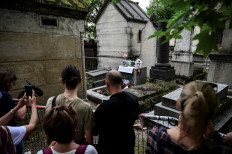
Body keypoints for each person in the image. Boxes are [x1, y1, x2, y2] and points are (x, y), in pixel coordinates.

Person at [146, 81, 232, 153]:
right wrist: (214, 135)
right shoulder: (222, 150)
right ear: (215, 113)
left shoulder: (156, 136)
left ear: (178, 104)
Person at [46, 65, 95, 145]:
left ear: (62, 81)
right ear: (80, 80)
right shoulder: (86, 108)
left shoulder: (51, 101)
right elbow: (89, 140)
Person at [94, 70, 140, 154]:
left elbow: (95, 131)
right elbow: (135, 117)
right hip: (127, 145)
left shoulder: (103, 108)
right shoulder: (133, 100)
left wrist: (97, 111)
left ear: (107, 84)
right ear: (122, 82)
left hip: (108, 148)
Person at [0, 69, 27, 154]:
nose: (12, 86)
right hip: (8, 134)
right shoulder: (5, 95)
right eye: (12, 83)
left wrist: (14, 100)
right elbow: (21, 116)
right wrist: (25, 102)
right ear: (7, 82)